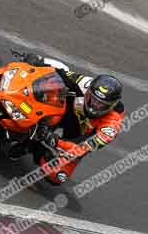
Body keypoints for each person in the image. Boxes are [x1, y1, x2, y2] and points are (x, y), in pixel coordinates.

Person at [13, 51, 125, 185]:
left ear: (111, 105)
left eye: (101, 104)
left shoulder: (112, 123)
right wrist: (38, 61)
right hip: (65, 111)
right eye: (92, 99)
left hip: (79, 136)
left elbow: (84, 146)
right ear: (88, 91)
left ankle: (33, 147)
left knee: (57, 176)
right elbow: (61, 73)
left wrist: (55, 141)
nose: (94, 105)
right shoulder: (85, 83)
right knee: (50, 86)